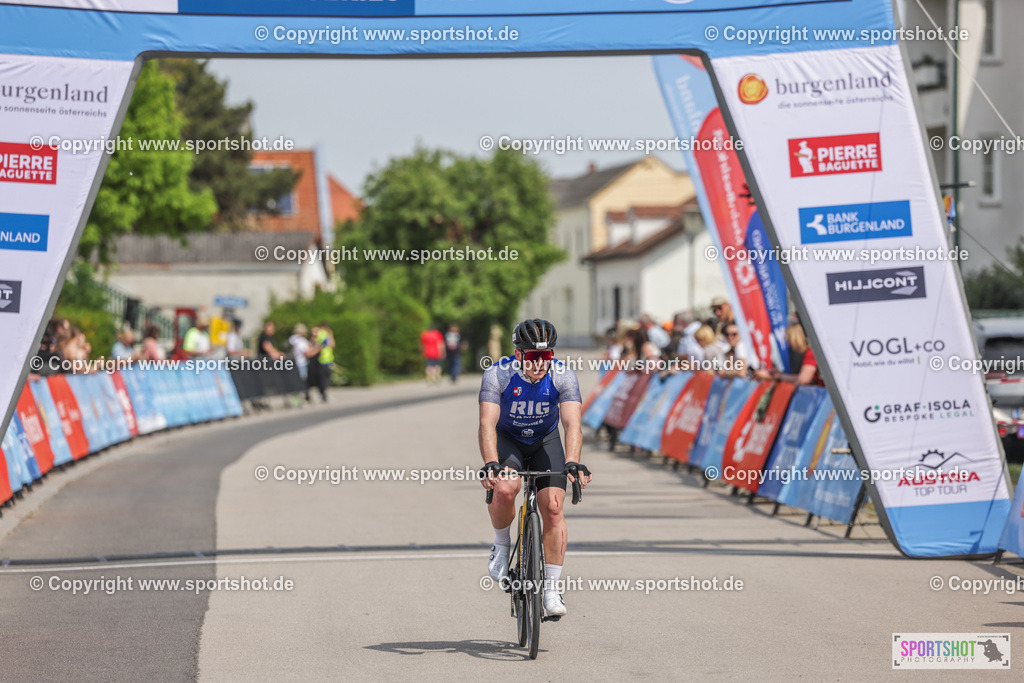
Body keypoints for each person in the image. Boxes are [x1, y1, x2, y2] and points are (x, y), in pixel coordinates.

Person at [479, 318, 592, 619]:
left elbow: (572, 424)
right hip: (509, 441)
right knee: (506, 488)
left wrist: (572, 461)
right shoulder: (498, 374)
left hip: (545, 441)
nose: (539, 364)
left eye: (546, 356)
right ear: (518, 355)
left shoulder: (563, 376)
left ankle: (552, 590)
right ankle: (501, 546)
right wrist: (491, 463)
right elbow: (487, 423)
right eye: (532, 357)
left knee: (553, 507)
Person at [289, 323, 312, 402]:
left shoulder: (293, 339)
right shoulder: (301, 341)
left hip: (295, 362)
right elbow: (306, 352)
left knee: (297, 381)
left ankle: (300, 397)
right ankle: (302, 398)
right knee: (302, 381)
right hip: (301, 362)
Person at [313, 323, 335, 401]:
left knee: (325, 378)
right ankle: (323, 394)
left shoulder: (324, 334)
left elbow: (331, 345)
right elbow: (330, 344)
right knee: (323, 379)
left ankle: (323, 394)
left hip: (326, 359)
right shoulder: (323, 334)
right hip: (322, 359)